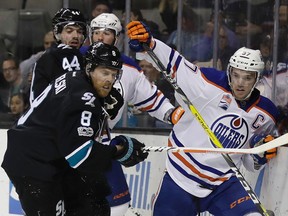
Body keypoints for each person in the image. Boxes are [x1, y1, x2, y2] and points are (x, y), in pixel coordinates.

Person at [127, 21, 279, 216]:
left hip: (224, 184)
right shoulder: (208, 85)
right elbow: (175, 63)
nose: (240, 83)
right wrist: (150, 43)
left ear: (257, 79)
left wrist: (260, 154)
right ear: (229, 72)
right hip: (180, 177)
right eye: (236, 75)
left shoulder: (266, 114)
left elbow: (250, 162)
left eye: (248, 77)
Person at [1, 41, 148, 216]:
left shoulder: (75, 76)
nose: (109, 79)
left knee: (93, 200)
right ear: (89, 69)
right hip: (32, 163)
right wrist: (117, 151)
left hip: (53, 156)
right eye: (104, 72)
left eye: (114, 74)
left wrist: (101, 103)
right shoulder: (82, 98)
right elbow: (80, 155)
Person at [88, 13, 184, 215]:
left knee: (119, 205)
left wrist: (172, 113)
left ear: (117, 37)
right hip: (71, 143)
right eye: (96, 32)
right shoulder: (77, 60)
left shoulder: (129, 69)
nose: (100, 37)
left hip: (103, 144)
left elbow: (151, 98)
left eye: (106, 33)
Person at [29, 8, 87, 102]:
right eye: (69, 31)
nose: (76, 36)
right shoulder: (48, 59)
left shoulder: (86, 59)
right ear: (57, 34)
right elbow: (37, 101)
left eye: (79, 32)